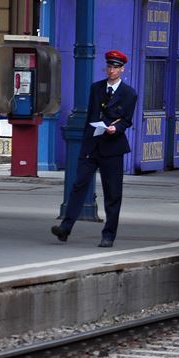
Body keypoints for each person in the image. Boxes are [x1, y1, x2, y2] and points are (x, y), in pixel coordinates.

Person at [52, 50, 138, 247]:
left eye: (115, 67)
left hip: (112, 147)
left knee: (112, 192)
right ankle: (65, 228)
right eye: (109, 66)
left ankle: (108, 235)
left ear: (122, 70)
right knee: (79, 185)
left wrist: (116, 128)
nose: (111, 70)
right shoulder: (96, 88)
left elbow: (126, 120)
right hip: (92, 145)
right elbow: (91, 115)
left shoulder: (129, 93)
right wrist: (86, 141)